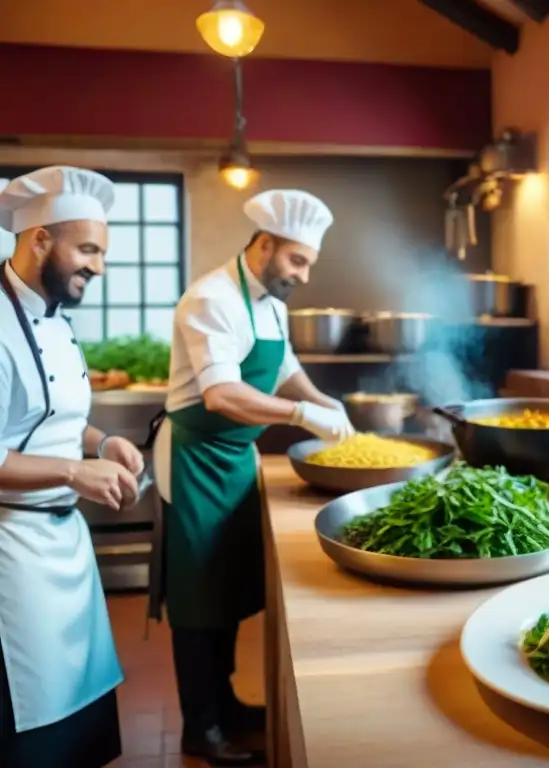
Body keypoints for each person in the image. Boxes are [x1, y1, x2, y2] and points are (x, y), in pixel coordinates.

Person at [151, 189, 355, 766]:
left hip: (236, 460)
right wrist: (299, 415)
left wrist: (322, 401)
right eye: (297, 260)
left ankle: (229, 705)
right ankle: (201, 727)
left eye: (308, 262)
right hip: (193, 463)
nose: (304, 274)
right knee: (196, 598)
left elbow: (283, 366)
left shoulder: (272, 302)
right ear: (264, 245)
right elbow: (220, 394)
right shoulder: (210, 298)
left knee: (228, 587)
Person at [0, 166, 145, 767]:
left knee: (81, 720)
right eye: (88, 249)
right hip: (12, 550)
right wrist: (70, 474)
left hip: (65, 546)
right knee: (34, 729)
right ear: (39, 239)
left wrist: (101, 443)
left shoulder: (58, 315)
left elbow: (49, 415)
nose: (99, 267)